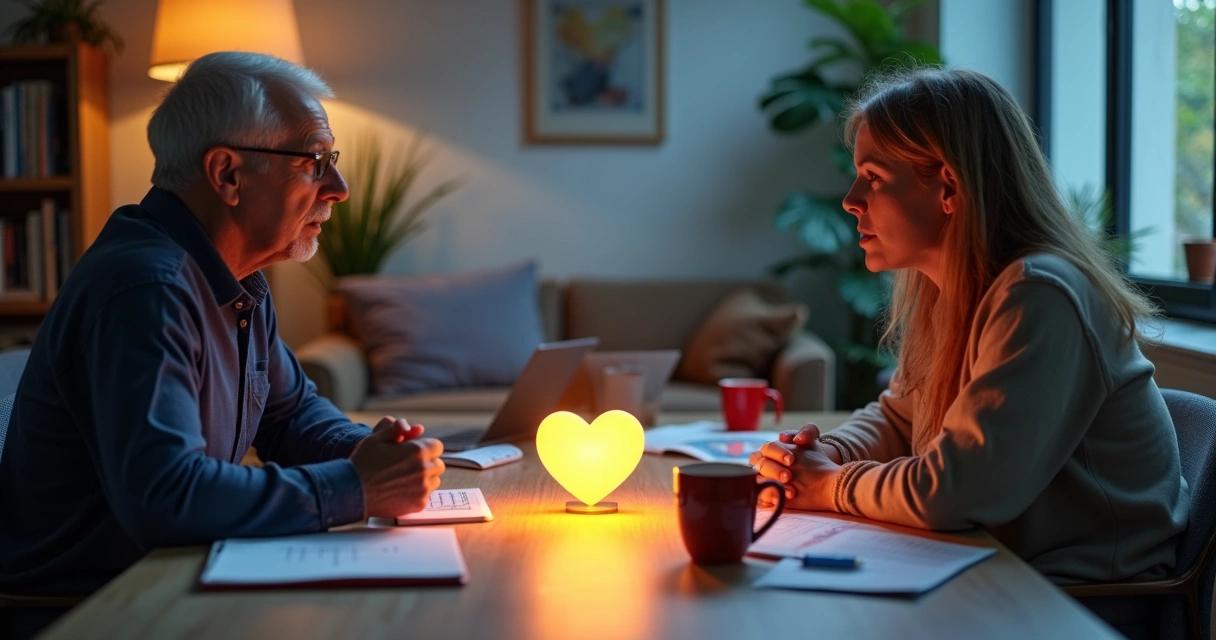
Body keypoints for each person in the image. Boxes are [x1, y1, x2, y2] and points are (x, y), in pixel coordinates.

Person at [0, 52, 445, 606]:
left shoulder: (236, 280)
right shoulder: (147, 288)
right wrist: (356, 487)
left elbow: (289, 414)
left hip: (166, 577)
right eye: (314, 160)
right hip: (88, 609)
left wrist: (366, 450)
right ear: (227, 174)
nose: (339, 187)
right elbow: (167, 496)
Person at [750, 68, 1189, 586]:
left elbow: (957, 492)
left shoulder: (1040, 295)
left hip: (1079, 600)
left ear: (949, 187)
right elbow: (899, 418)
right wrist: (828, 453)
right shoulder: (952, 292)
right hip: (1000, 571)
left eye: (873, 177)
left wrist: (830, 485)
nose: (851, 199)